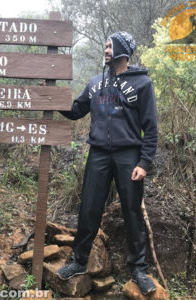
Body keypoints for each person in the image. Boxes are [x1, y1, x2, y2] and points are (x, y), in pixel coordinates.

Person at [57, 32, 158, 295]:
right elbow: (76, 110)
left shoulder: (142, 84)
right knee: (89, 208)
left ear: (123, 50)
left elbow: (151, 127)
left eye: (110, 46)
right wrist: (52, 95)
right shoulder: (94, 83)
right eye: (105, 46)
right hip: (99, 153)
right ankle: (79, 261)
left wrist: (144, 162)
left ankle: (138, 269)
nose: (106, 50)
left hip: (129, 156)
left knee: (132, 212)